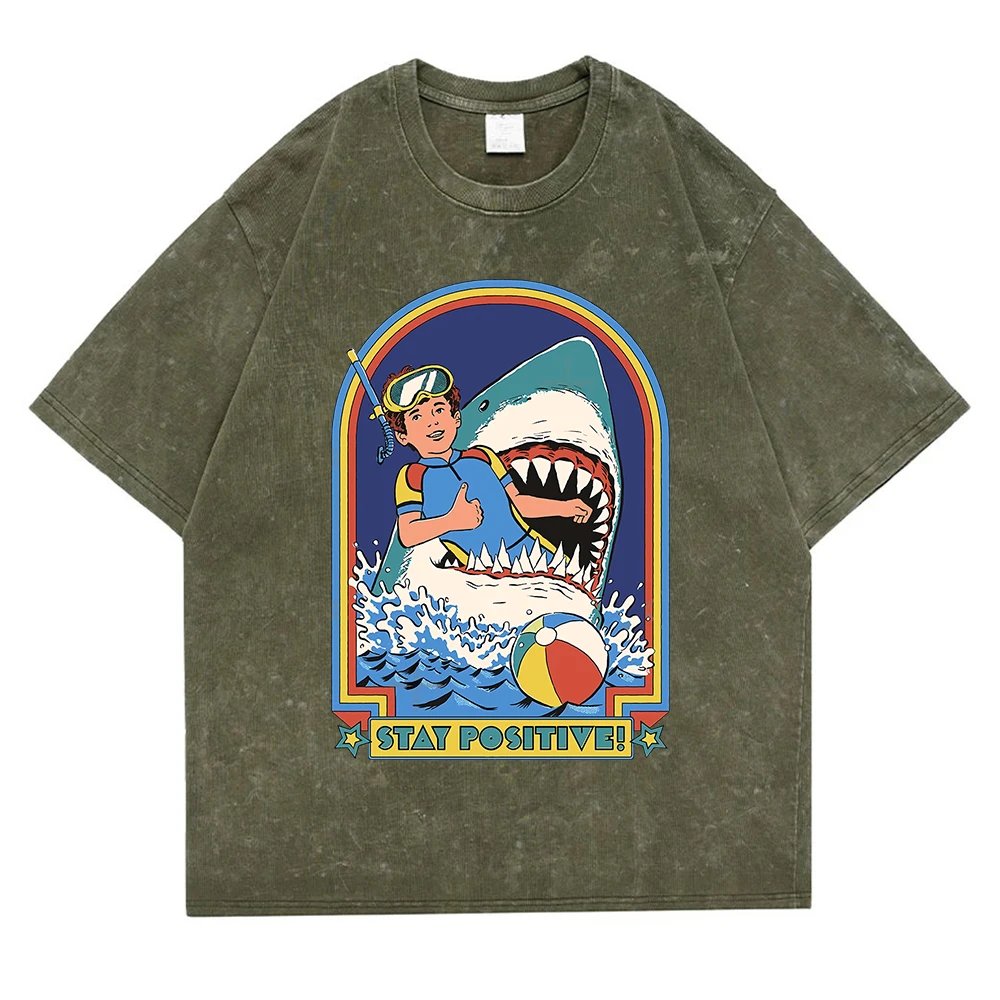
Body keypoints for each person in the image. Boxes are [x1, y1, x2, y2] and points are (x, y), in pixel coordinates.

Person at [385, 364, 591, 570]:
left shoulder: (483, 456)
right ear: (403, 436)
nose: (432, 423)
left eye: (438, 410)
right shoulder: (412, 476)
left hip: (539, 557)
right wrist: (452, 521)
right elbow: (408, 535)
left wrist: (565, 507)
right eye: (417, 417)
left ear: (456, 418)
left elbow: (520, 503)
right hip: (483, 575)